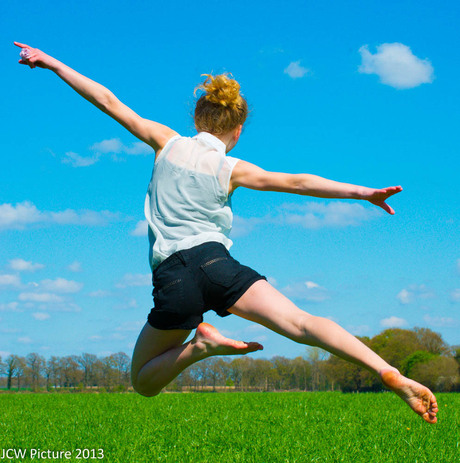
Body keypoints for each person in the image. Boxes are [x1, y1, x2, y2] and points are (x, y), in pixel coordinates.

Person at [15, 41, 438, 424]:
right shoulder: (232, 168)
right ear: (236, 132)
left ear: (197, 119)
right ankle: (389, 371)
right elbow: (297, 182)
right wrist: (362, 192)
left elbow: (107, 99)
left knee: (143, 381)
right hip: (218, 263)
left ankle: (200, 347)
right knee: (303, 322)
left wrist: (52, 63)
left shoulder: (166, 141)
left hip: (174, 276)